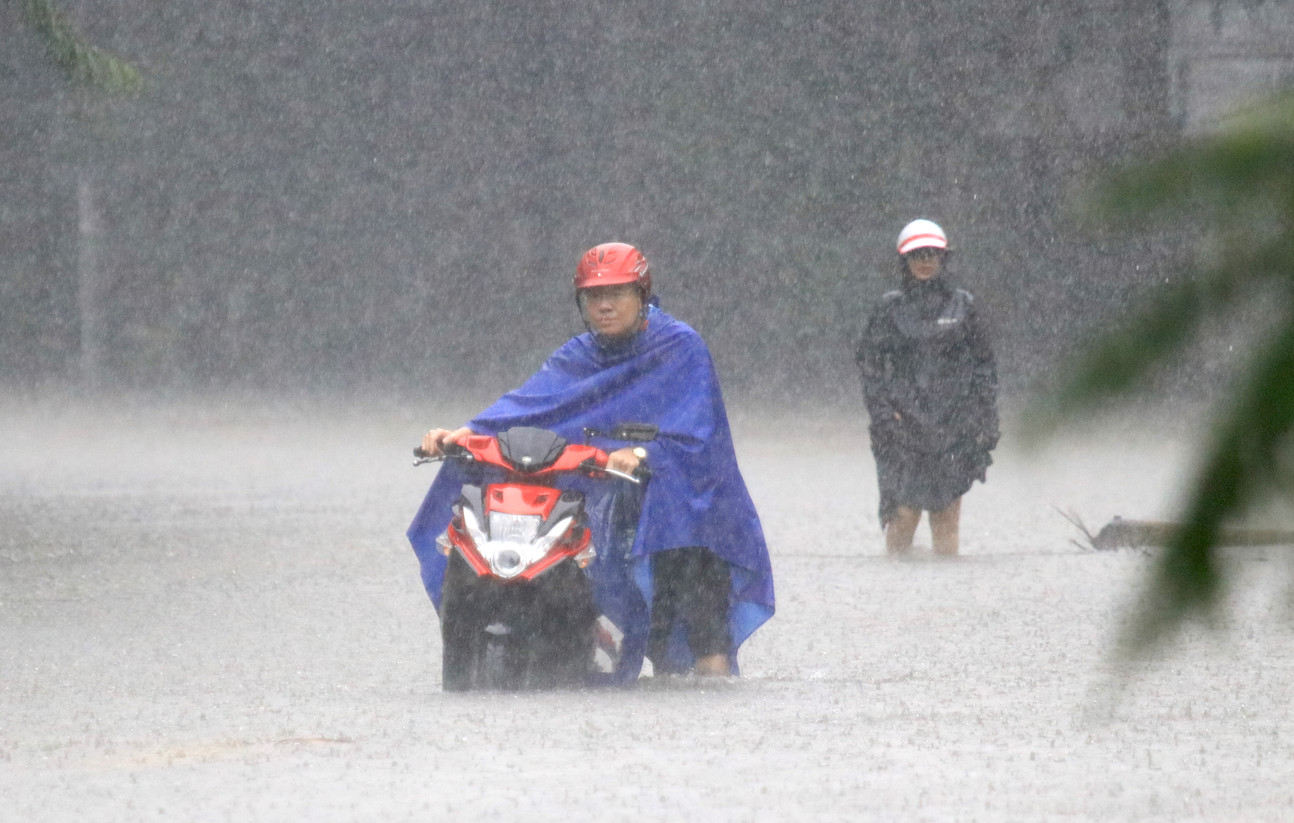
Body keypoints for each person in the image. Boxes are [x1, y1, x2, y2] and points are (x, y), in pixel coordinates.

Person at [408, 242, 774, 681]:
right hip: (602, 487)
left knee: (685, 527)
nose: (604, 305)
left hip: (679, 495)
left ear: (642, 294)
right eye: (593, 296)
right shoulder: (579, 355)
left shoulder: (680, 347)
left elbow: (698, 436)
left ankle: (709, 664)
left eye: (616, 293)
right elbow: (529, 405)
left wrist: (643, 453)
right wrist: (467, 432)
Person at [854, 219, 1000, 555]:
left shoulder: (964, 305)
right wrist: (883, 413)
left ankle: (946, 592)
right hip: (903, 426)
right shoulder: (889, 308)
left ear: (943, 258)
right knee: (903, 515)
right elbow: (869, 366)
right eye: (917, 254)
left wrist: (984, 416)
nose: (924, 261)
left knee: (946, 515)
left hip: (954, 423)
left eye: (932, 254)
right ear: (904, 260)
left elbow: (984, 366)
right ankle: (895, 593)